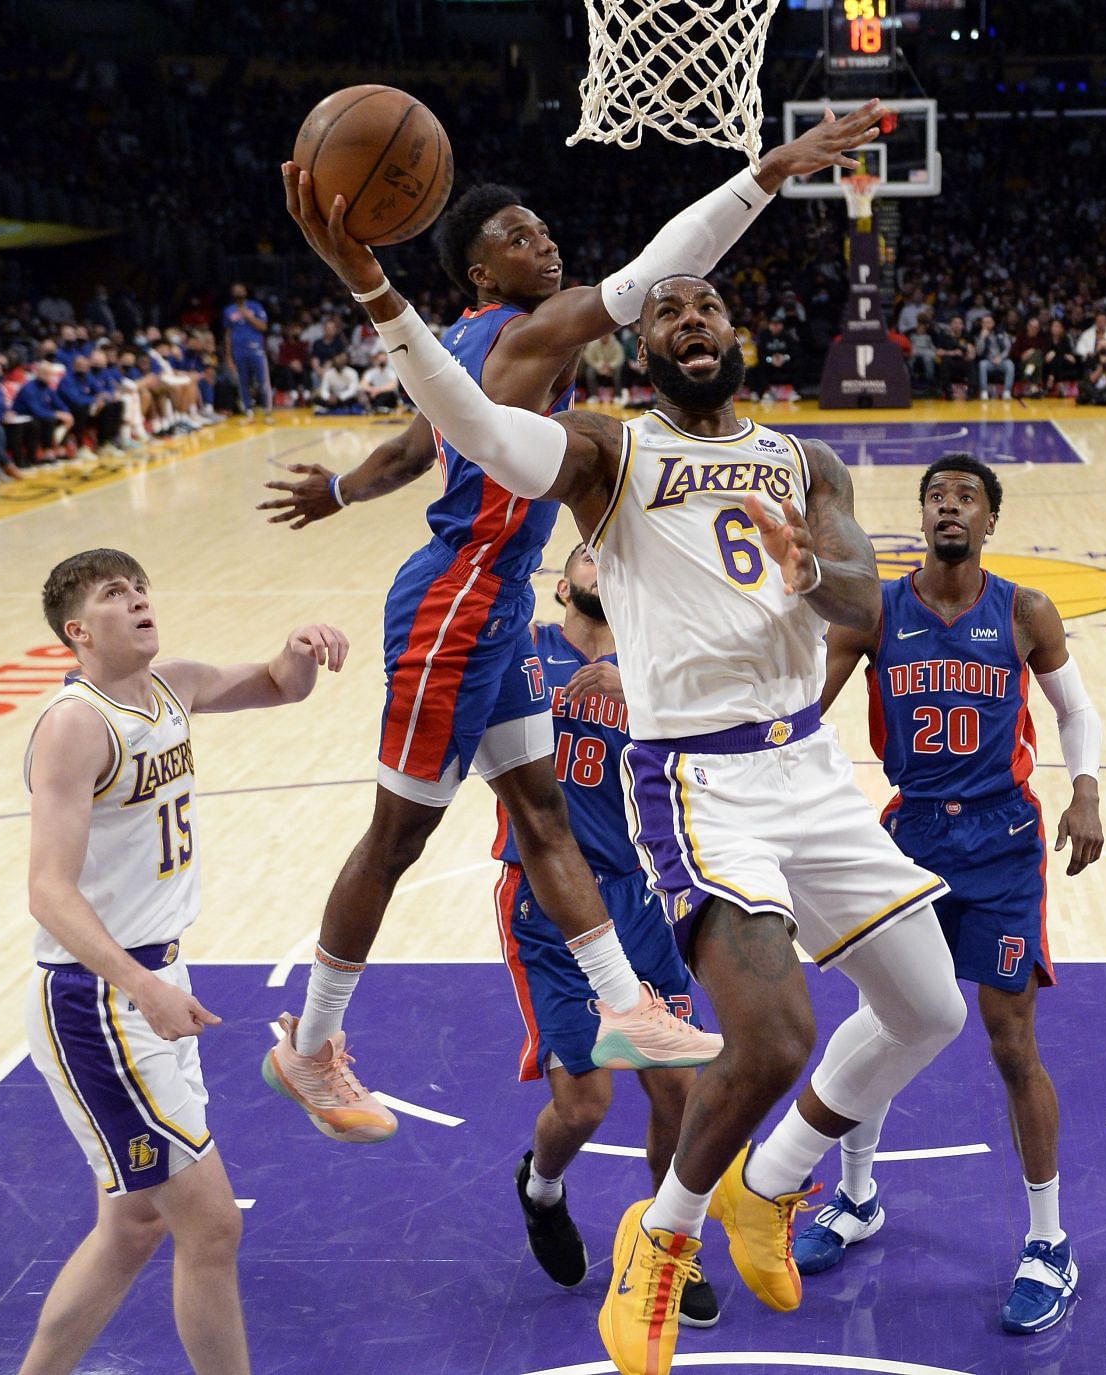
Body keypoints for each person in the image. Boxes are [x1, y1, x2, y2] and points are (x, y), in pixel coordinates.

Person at [286, 169, 968, 1375]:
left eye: (711, 308)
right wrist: (372, 289)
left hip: (808, 770)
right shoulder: (609, 451)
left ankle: (771, 1189)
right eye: (671, 310)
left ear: (739, 335)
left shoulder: (809, 467)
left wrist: (815, 576)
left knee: (929, 1009)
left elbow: (869, 605)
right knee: (766, 1040)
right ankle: (662, 1245)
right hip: (700, 785)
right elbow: (475, 424)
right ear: (643, 339)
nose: (694, 318)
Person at [256, 109, 886, 1143]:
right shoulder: (520, 332)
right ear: (477, 275)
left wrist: (337, 488)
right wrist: (763, 175)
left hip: (494, 603)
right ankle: (312, 1045)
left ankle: (624, 1006)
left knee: (542, 814)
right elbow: (649, 277)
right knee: (398, 833)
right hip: (455, 604)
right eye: (516, 232)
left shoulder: (467, 352)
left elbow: (416, 451)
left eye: (543, 227)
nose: (543, 241)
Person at [19, 547, 349, 1375]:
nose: (136, 601)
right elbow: (48, 891)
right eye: (112, 594)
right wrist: (141, 987)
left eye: (139, 587)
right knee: (211, 1223)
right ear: (77, 631)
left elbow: (276, 684)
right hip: (99, 998)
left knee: (133, 1225)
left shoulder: (173, 688)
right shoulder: (75, 723)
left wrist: (300, 650)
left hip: (152, 981)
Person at [803, 453, 1105, 1334]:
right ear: (922, 517)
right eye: (936, 496)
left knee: (1011, 1041)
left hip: (1003, 841)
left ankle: (1049, 1240)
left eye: (966, 497)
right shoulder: (875, 610)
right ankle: (858, 1196)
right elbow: (802, 708)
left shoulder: (1024, 609)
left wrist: (1085, 788)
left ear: (988, 521)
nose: (949, 507)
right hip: (911, 836)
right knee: (885, 1018)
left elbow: (1076, 711)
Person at [501, 542, 719, 1328]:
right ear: (562, 584)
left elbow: (725, 729)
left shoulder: (657, 663)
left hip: (641, 897)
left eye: (610, 559)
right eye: (586, 558)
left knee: (676, 1087)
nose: (601, 565)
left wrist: (642, 689)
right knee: (587, 1104)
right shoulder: (522, 652)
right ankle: (543, 1186)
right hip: (548, 899)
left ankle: (670, 1240)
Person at [224, 283, 272, 422]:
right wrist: (228, 356)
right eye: (235, 290)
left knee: (262, 381)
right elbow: (227, 334)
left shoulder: (255, 307)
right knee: (243, 382)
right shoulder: (228, 311)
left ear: (245, 291)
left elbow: (263, 326)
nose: (238, 291)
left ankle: (267, 411)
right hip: (238, 352)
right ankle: (248, 412)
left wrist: (247, 316)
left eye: (241, 289)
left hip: (256, 350)